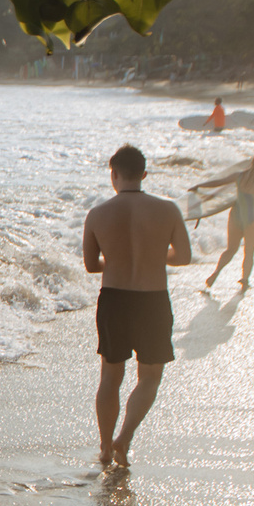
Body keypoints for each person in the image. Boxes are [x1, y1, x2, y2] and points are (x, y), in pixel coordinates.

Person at [83, 146, 191, 472]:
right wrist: (155, 256)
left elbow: (91, 265)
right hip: (153, 300)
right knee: (150, 378)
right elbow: (184, 257)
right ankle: (124, 439)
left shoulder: (97, 214)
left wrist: (116, 259)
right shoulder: (168, 210)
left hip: (114, 299)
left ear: (113, 174)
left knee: (110, 377)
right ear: (144, 174)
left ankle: (103, 447)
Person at [199, 148, 254, 293]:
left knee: (231, 249)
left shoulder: (240, 175)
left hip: (236, 215)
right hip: (253, 218)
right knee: (249, 252)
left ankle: (215, 274)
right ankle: (245, 280)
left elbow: (218, 182)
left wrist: (199, 186)